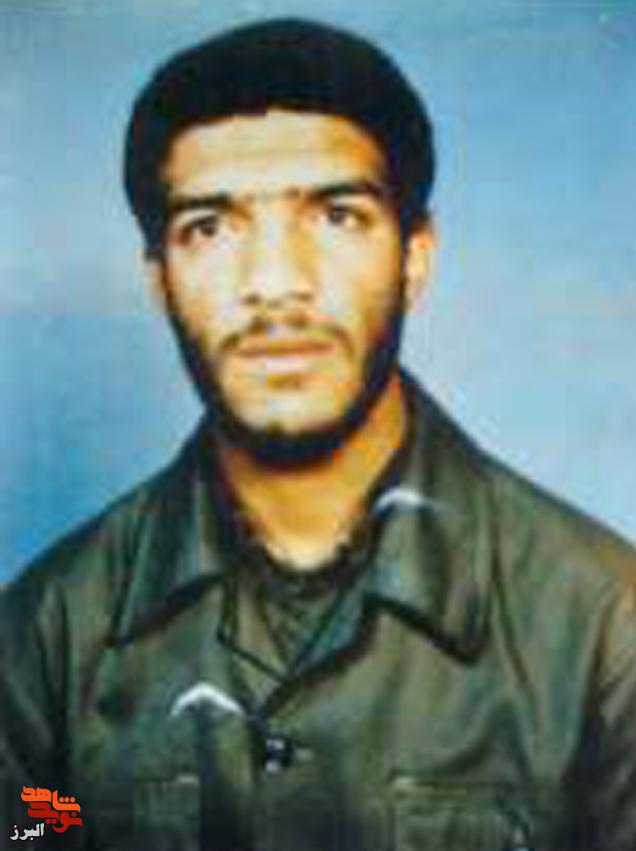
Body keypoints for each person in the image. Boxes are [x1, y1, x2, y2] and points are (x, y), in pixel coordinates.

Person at [2, 17, 636, 851]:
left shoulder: (606, 629)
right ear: (158, 279)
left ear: (415, 255)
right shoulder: (48, 633)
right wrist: (76, 816)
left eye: (337, 215)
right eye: (210, 227)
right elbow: (33, 825)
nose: (274, 282)